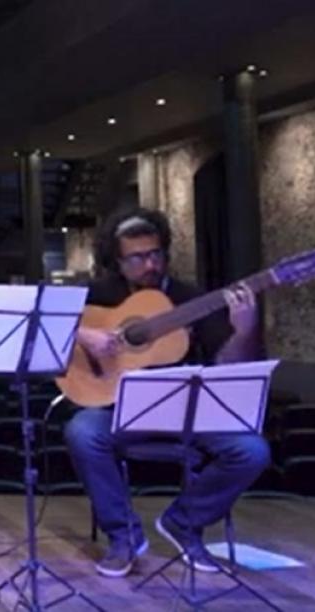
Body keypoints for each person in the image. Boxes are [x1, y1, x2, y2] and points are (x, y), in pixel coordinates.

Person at [65, 207, 267, 578]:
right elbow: (48, 321)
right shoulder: (99, 294)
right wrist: (85, 335)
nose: (149, 265)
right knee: (81, 431)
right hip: (119, 409)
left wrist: (244, 331)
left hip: (186, 413)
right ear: (117, 261)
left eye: (155, 254)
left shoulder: (192, 300)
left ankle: (184, 522)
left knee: (252, 451)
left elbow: (229, 368)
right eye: (137, 258)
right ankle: (123, 535)